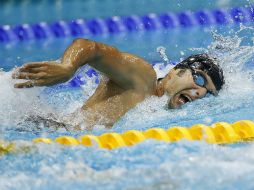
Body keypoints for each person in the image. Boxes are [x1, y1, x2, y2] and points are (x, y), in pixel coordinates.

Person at [12, 38, 224, 130]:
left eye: (207, 92)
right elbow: (91, 48)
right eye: (199, 79)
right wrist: (68, 67)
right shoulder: (144, 78)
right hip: (51, 131)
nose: (199, 93)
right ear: (176, 71)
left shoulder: (159, 111)